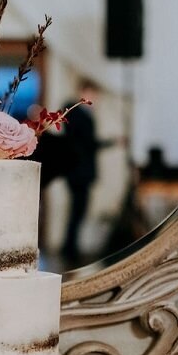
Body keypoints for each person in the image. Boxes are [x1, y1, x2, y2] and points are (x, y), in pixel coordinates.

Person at [59, 77, 115, 263]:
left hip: (78, 171)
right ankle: (69, 249)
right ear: (84, 92)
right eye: (93, 93)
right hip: (78, 172)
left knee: (78, 211)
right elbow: (85, 144)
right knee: (77, 211)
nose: (95, 98)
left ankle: (69, 247)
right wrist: (110, 142)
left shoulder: (79, 113)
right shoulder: (77, 113)